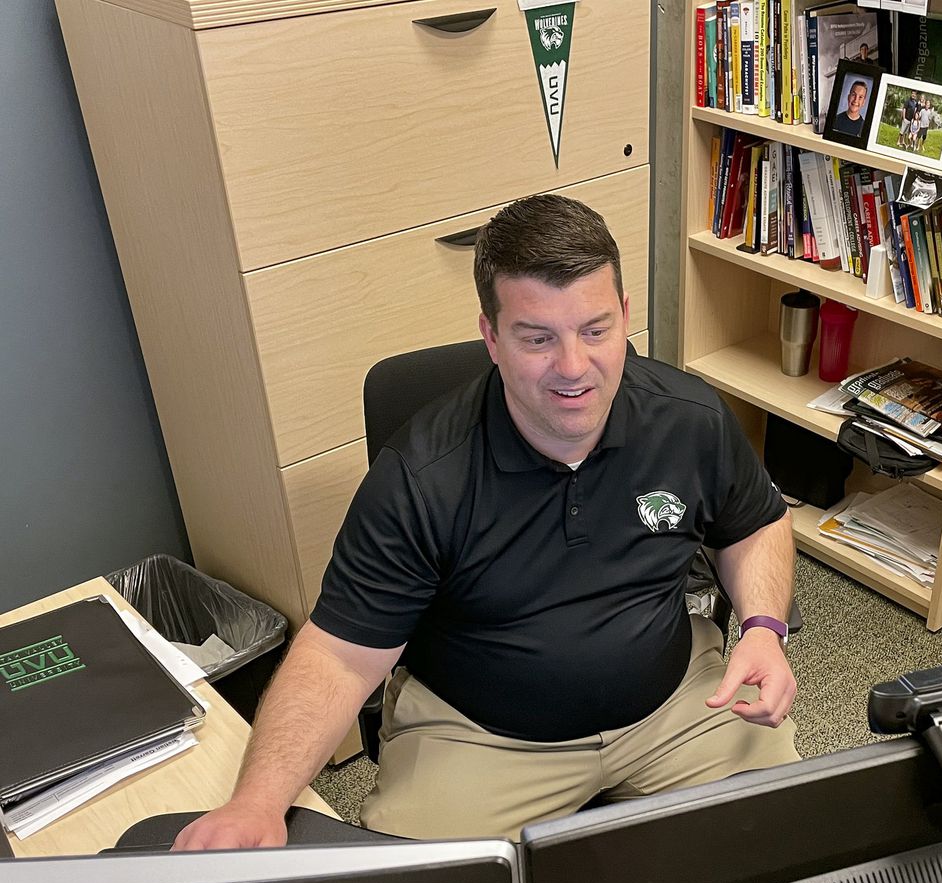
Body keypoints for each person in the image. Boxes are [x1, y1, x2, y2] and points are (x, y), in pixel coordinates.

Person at [173, 195, 800, 849]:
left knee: (783, 855)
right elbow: (337, 654)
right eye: (537, 338)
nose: (574, 366)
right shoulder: (424, 475)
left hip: (674, 706)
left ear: (624, 315)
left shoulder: (690, 418)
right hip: (483, 734)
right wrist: (258, 801)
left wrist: (762, 627)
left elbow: (755, 523)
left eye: (595, 329)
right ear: (492, 337)